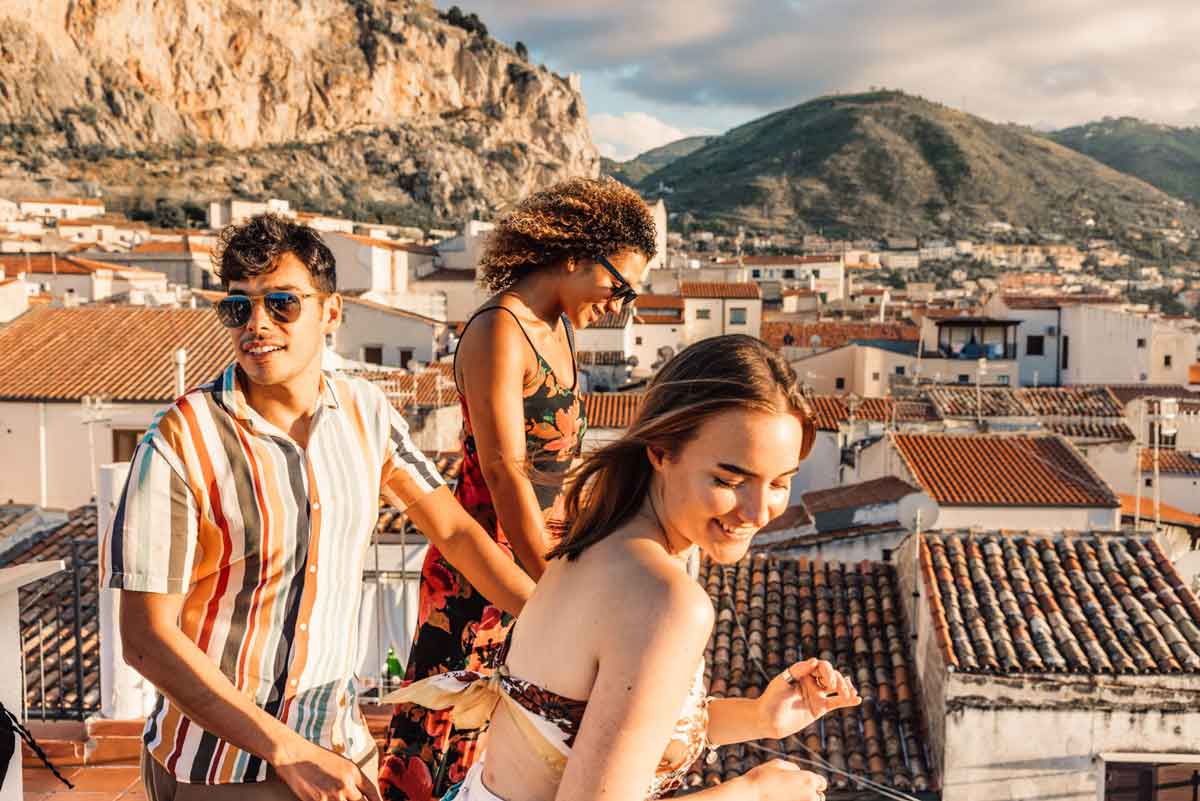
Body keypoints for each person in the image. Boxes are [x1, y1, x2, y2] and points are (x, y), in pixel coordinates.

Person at [100, 214, 535, 801]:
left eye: (282, 303)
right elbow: (146, 638)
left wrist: (546, 615)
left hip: (336, 745)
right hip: (222, 767)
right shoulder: (181, 440)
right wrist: (287, 750)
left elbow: (454, 530)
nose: (258, 324)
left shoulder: (365, 411)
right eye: (239, 307)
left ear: (330, 312)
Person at [388, 335, 863, 801]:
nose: (759, 511)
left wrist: (761, 718)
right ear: (660, 452)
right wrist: (754, 793)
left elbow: (603, 724)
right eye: (729, 479)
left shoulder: (598, 544)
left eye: (779, 483)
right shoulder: (666, 598)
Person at [381, 177, 657, 801]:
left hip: (541, 558)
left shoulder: (557, 329)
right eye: (619, 287)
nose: (619, 306)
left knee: (519, 737)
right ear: (574, 255)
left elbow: (556, 468)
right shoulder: (501, 328)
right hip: (483, 571)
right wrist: (550, 589)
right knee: (451, 737)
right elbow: (505, 469)